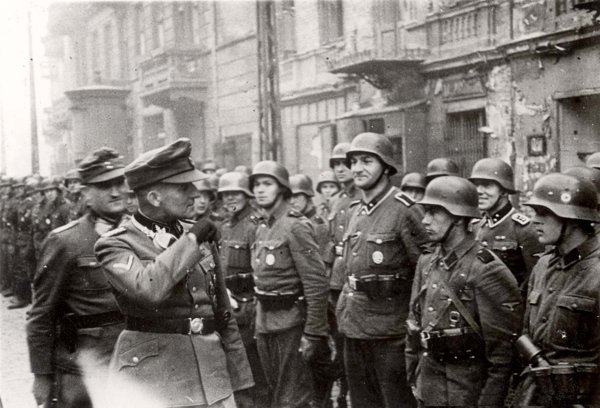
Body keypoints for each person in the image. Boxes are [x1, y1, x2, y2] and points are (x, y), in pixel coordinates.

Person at [94, 138, 253, 407]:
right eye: (183, 188)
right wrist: (191, 241)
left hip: (212, 378)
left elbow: (223, 313)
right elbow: (148, 290)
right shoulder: (116, 243)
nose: (195, 194)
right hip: (155, 382)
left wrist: (241, 381)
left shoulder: (197, 232)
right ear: (155, 197)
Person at [405, 175, 522, 407]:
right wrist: (413, 377)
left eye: (434, 213)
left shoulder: (486, 268)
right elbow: (414, 323)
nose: (425, 221)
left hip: (466, 392)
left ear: (458, 217)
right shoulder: (427, 262)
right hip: (429, 387)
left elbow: (501, 356)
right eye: (426, 212)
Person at [26, 148, 128, 408]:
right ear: (86, 193)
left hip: (131, 363)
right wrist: (42, 376)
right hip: (82, 370)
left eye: (119, 183)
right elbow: (41, 314)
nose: (115, 192)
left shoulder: (139, 233)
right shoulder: (65, 242)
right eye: (104, 186)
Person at [336, 132, 428, 408]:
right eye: (354, 161)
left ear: (386, 167)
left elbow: (426, 271)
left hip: (391, 334)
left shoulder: (405, 210)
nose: (357, 168)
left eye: (367, 161)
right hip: (354, 328)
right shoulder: (356, 211)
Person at [513, 173, 600, 406]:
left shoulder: (596, 271)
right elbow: (527, 330)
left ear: (572, 219)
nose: (535, 221)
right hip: (537, 394)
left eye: (544, 213)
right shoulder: (543, 265)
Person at [250, 160, 330, 408]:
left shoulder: (296, 226)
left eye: (267, 184)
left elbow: (316, 282)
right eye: (256, 185)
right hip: (265, 326)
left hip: (291, 326)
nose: (260, 190)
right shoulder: (263, 228)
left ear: (282, 189)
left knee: (293, 399)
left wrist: (313, 333)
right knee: (275, 395)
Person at [217, 171, 269, 407]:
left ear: (247, 195)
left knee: (255, 375)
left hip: (249, 309)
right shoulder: (225, 227)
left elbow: (263, 273)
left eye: (235, 193)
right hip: (230, 310)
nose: (230, 198)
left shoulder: (254, 226)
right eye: (225, 194)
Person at [289, 173, 336, 407]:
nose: (293, 201)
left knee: (318, 361)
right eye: (290, 197)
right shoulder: (291, 223)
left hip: (315, 302)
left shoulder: (318, 226)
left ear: (308, 197)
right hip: (298, 302)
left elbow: (321, 271)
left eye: (298, 196)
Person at [469, 158, 543, 291]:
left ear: (504, 191)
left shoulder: (524, 229)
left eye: (487, 185)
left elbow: (535, 280)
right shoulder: (476, 226)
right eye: (476, 185)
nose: (479, 191)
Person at [324, 143, 359, 407]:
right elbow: (330, 239)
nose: (340, 169)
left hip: (354, 276)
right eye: (335, 165)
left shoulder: (363, 197)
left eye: (344, 164)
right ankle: (344, 391)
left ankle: (352, 390)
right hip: (336, 279)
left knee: (354, 341)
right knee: (340, 338)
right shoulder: (337, 200)